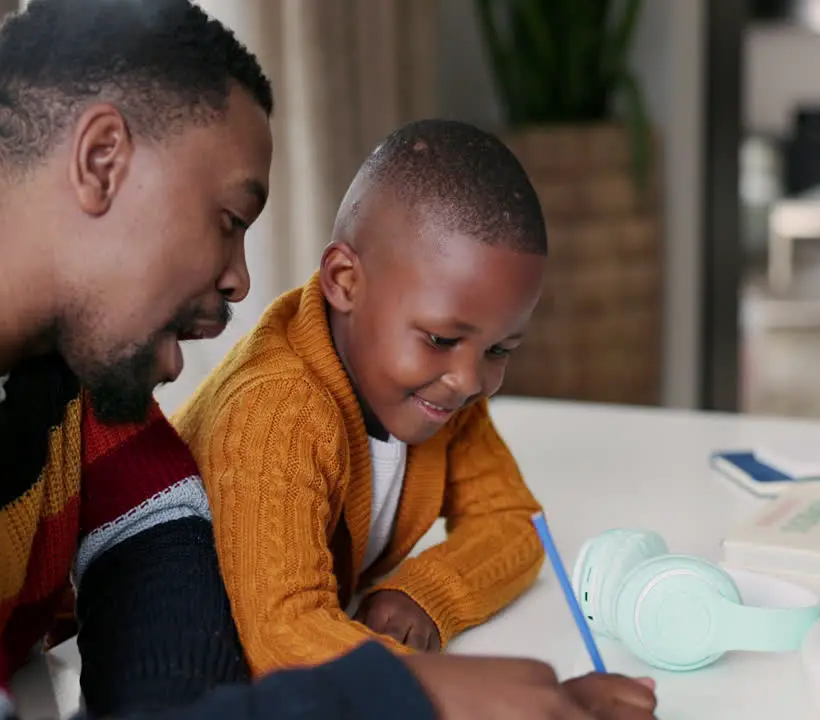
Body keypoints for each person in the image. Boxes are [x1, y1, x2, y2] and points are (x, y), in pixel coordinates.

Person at [0, 0, 657, 718]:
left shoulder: (72, 339)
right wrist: (395, 697)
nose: (238, 278)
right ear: (100, 161)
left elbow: (172, 627)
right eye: (226, 221)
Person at [173, 118, 656, 712]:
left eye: (501, 350)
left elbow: (515, 523)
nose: (471, 380)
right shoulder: (276, 414)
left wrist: (426, 594)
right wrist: (460, 695)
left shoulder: (443, 389)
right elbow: (282, 638)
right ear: (345, 281)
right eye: (438, 337)